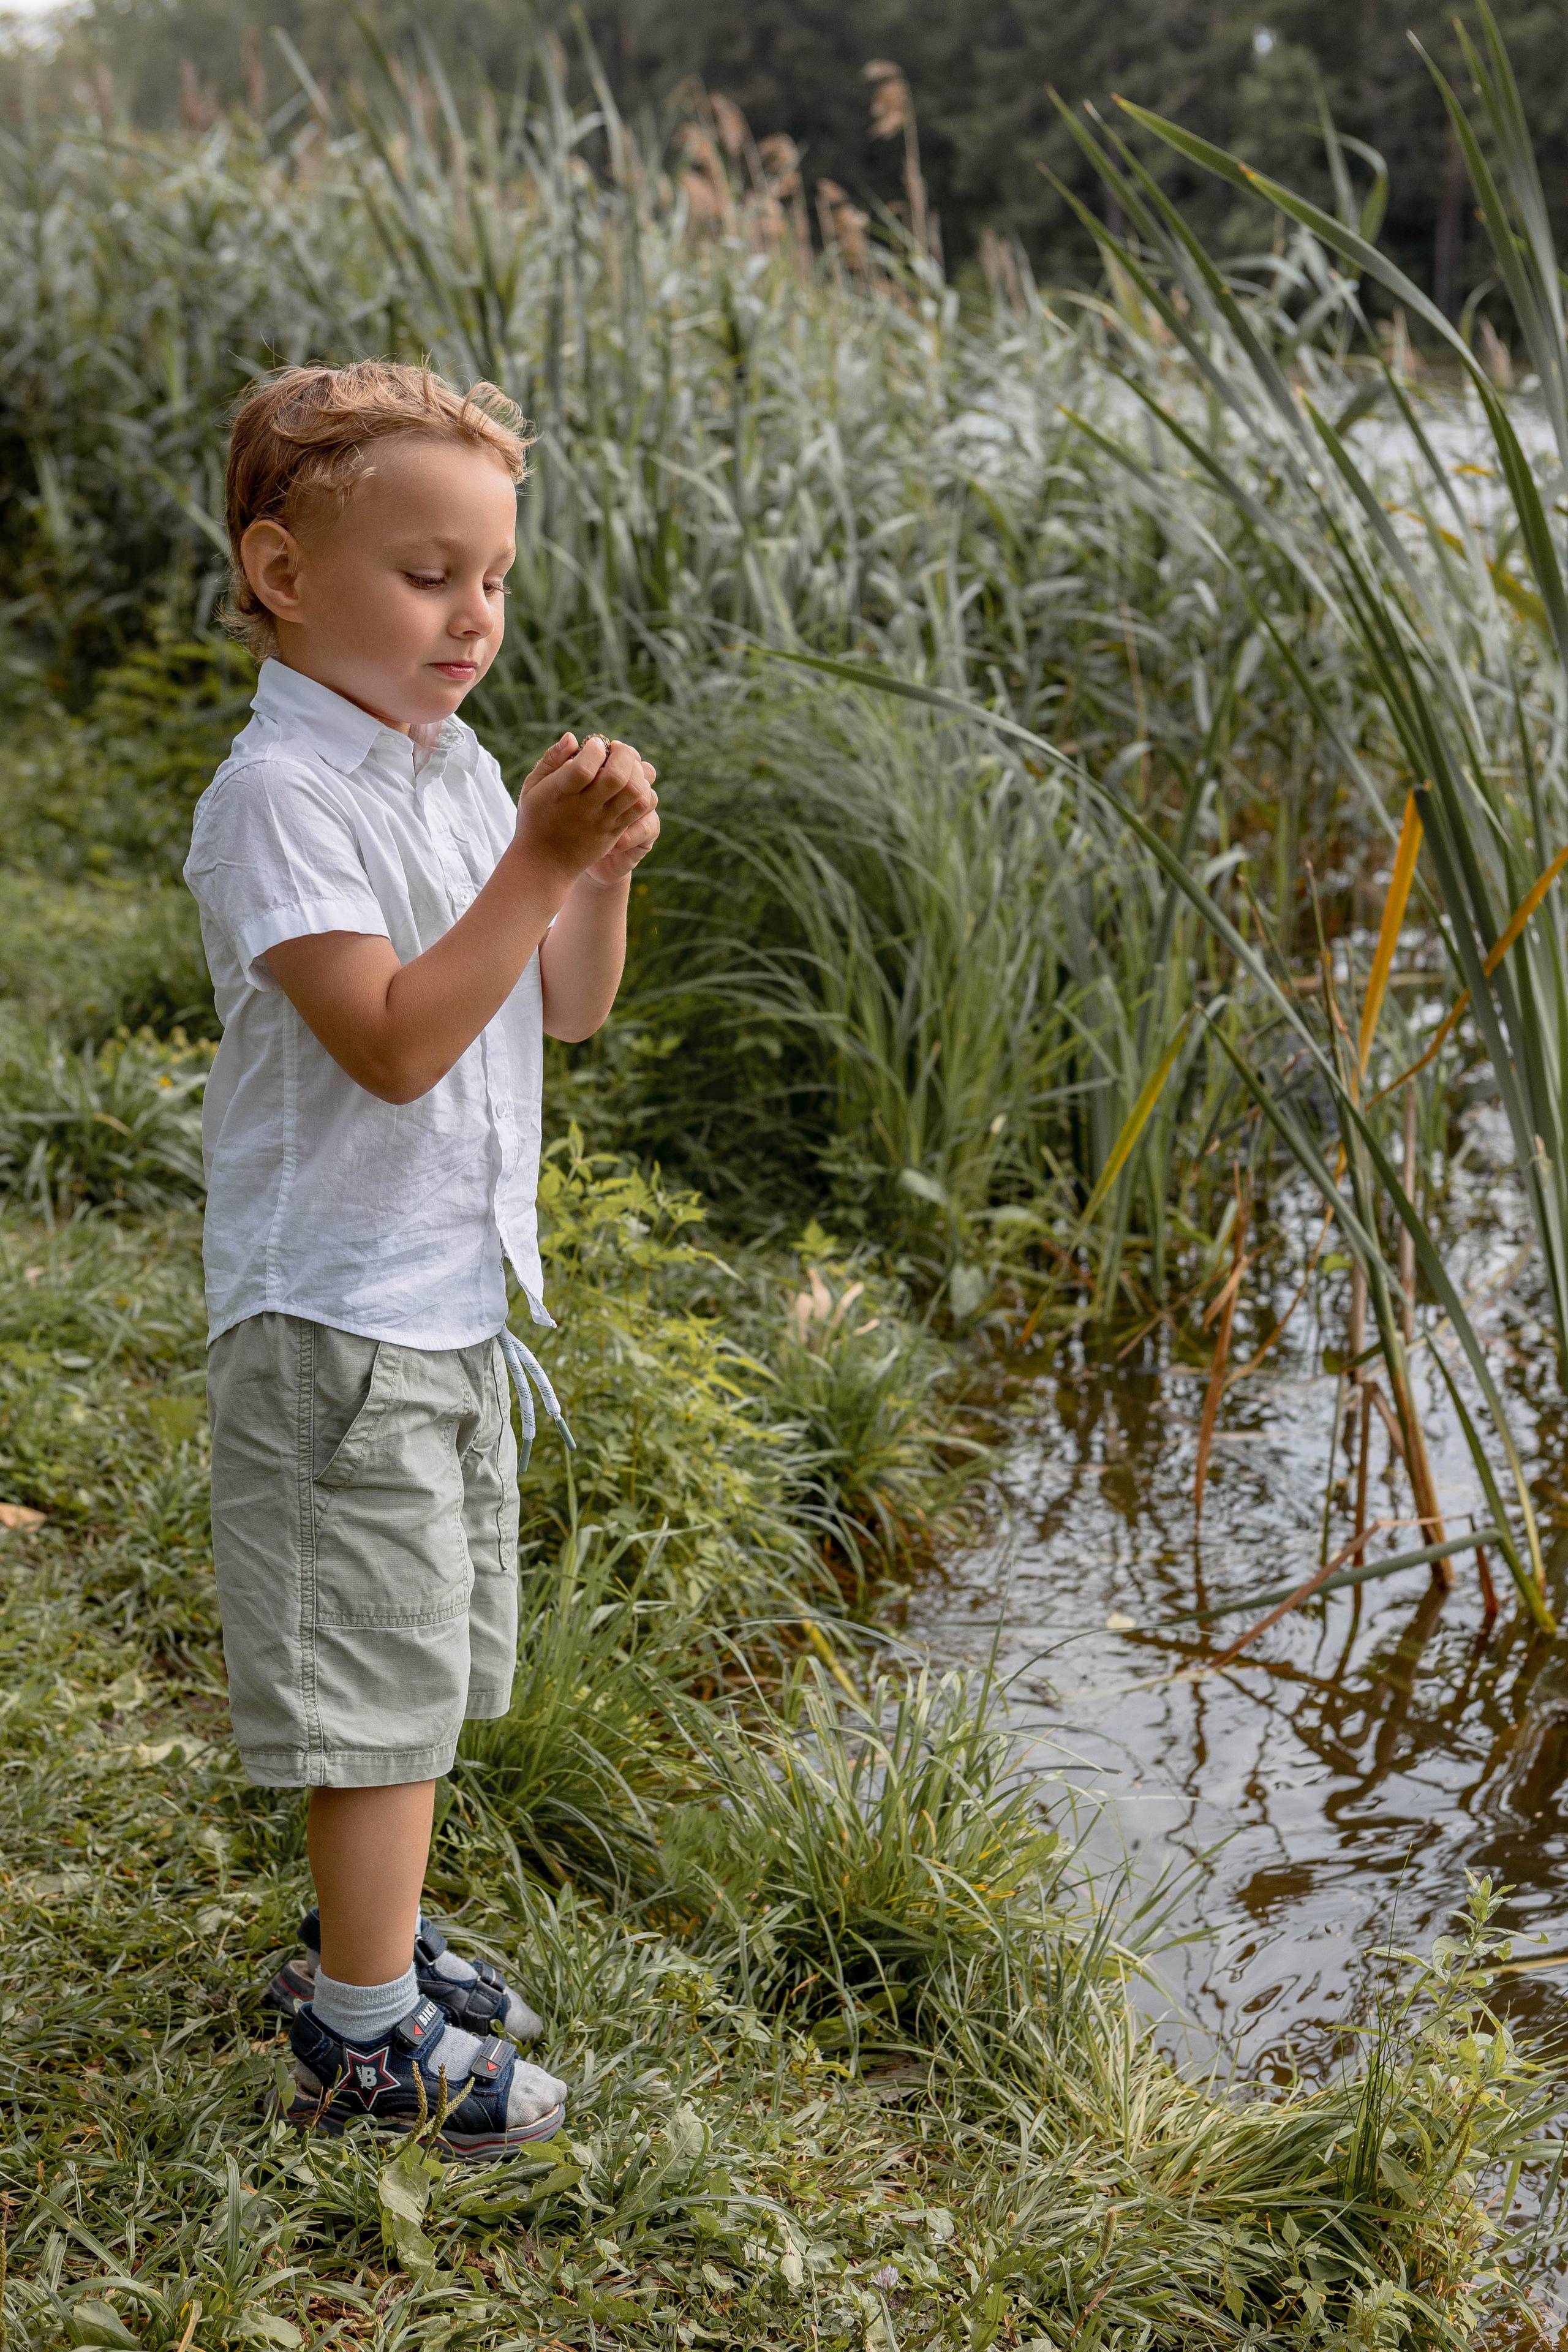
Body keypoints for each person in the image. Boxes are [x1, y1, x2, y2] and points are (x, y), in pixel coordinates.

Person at [184, 360, 659, 2158]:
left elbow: (568, 1011)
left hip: (450, 1307)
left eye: (496, 578)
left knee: (424, 1669)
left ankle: (363, 1956)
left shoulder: (451, 768)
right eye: (427, 573)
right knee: (375, 1701)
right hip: (335, 1319)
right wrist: (532, 864)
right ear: (285, 574)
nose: (476, 617)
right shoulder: (278, 799)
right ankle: (365, 2047)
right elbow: (391, 1038)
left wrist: (587, 877)